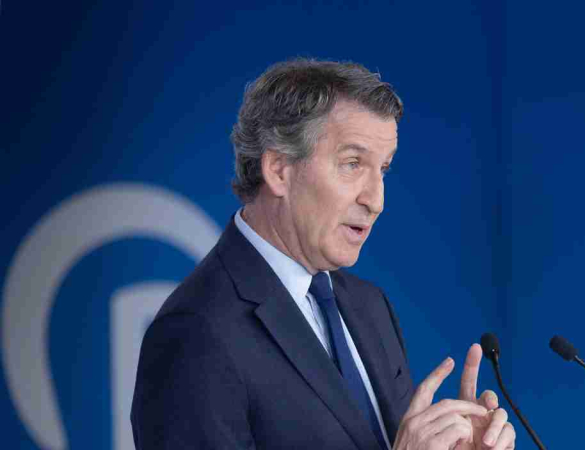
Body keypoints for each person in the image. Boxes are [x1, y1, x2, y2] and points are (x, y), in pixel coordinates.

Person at [131, 58, 516, 449]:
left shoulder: (369, 305)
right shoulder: (195, 332)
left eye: (383, 169)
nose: (376, 200)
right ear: (279, 169)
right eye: (352, 164)